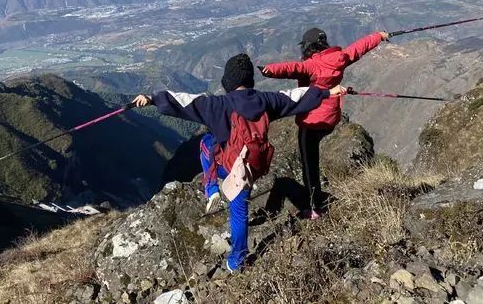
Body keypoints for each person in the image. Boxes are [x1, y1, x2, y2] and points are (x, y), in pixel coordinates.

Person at [132, 53, 347, 271]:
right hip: (256, 164)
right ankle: (236, 257)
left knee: (206, 143)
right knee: (238, 206)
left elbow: (184, 101)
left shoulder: (216, 105)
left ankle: (214, 195)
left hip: (231, 168)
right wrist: (328, 92)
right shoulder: (266, 100)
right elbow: (295, 97)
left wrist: (152, 98)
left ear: (229, 81)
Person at [259, 27, 389, 218]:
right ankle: (315, 202)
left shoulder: (312, 65)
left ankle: (313, 208)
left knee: (309, 165)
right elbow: (359, 47)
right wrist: (379, 36)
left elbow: (292, 68)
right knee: (313, 158)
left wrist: (268, 70)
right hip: (331, 118)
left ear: (308, 46)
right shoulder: (340, 58)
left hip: (311, 122)